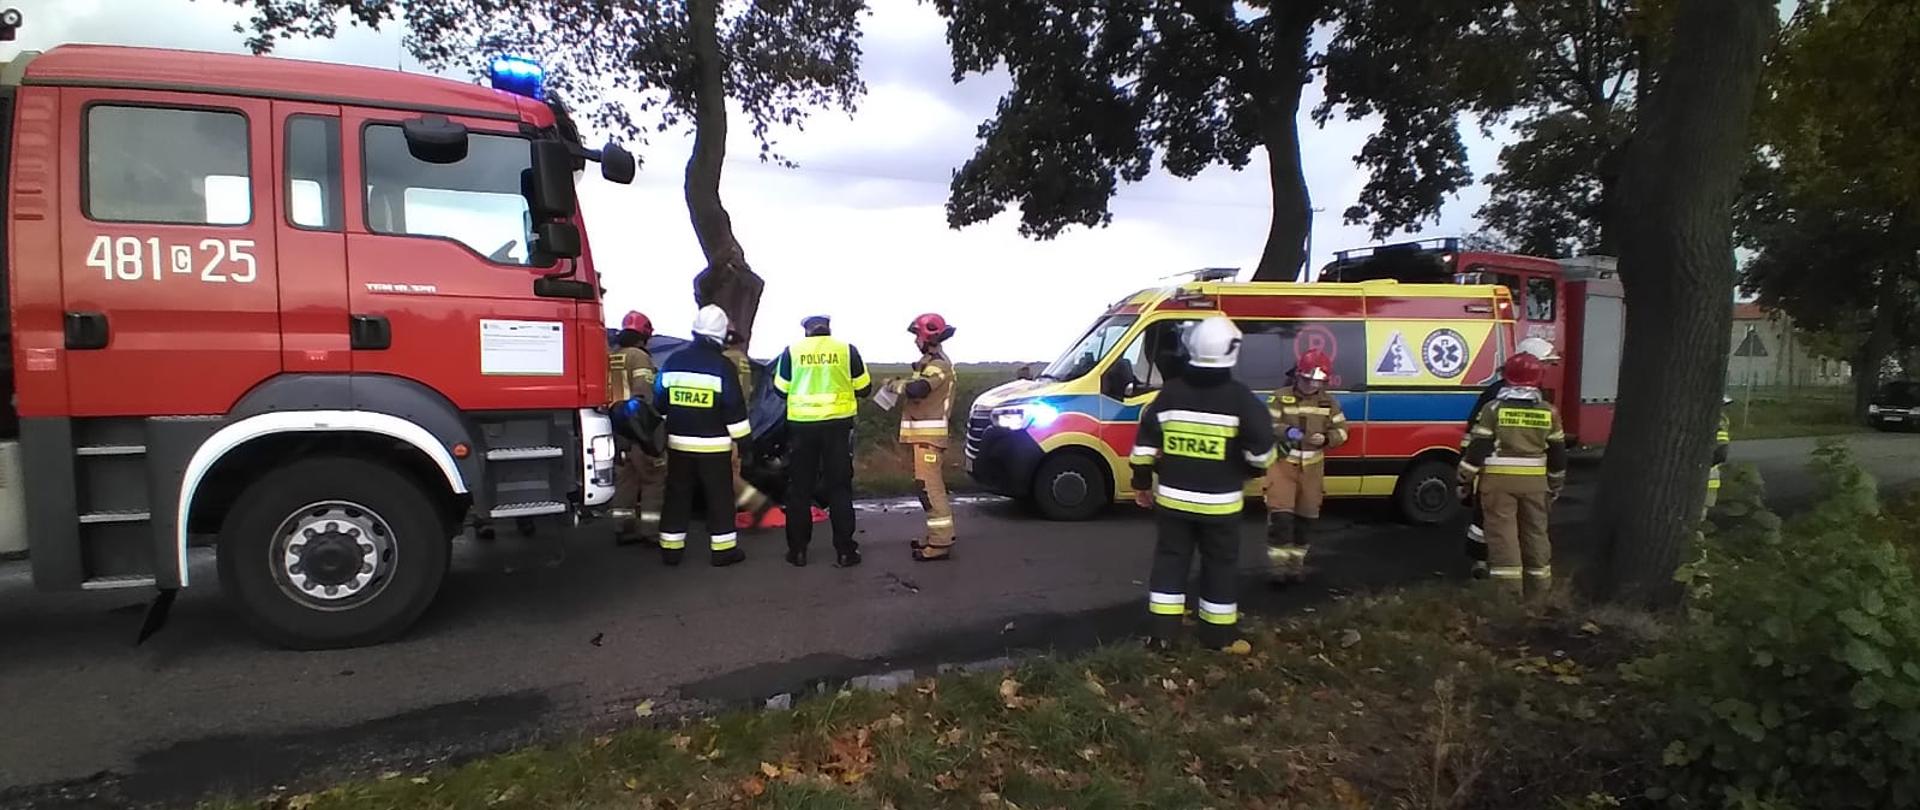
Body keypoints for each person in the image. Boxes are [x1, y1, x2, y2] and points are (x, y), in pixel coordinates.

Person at [1131, 316, 1276, 651]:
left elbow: (1143, 449)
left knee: (1169, 563)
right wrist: (1245, 471)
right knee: (1220, 567)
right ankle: (1218, 637)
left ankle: (1162, 638)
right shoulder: (1241, 400)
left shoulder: (1169, 393)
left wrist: (1141, 483)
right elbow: (1262, 456)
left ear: (1191, 347)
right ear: (1232, 351)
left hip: (1173, 502)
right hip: (1220, 505)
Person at [1458, 353, 1568, 602]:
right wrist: (1555, 483)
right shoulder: (1549, 411)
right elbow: (1558, 454)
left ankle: (1508, 599)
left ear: (1507, 378)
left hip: (1498, 484)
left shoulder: (1493, 409)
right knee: (1536, 533)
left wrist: (1464, 480)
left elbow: (1478, 448)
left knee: (1503, 536)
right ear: (1538, 379)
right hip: (1535, 484)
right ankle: (1540, 593)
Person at [654, 305, 753, 567]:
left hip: (678, 443)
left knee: (677, 495)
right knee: (720, 497)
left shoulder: (673, 361)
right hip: (714, 447)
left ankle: (671, 550)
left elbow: (660, 402)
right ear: (720, 334)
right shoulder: (722, 366)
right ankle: (723, 552)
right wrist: (745, 444)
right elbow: (734, 410)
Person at [772, 314, 872, 567]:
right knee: (839, 488)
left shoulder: (792, 351)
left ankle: (797, 552)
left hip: (802, 428)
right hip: (838, 428)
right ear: (828, 329)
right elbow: (864, 388)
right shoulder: (847, 350)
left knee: (800, 491)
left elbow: (780, 390)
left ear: (806, 331)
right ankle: (845, 551)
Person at [1264, 347, 1347, 585]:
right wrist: (1287, 431)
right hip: (1283, 466)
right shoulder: (1279, 397)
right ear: (1298, 374)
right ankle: (1278, 572)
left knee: (1305, 521)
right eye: (1308, 379)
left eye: (1317, 381)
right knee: (1281, 520)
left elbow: (1342, 430)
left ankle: (1295, 568)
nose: (1312, 385)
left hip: (1312, 469)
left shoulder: (1328, 403)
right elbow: (1269, 423)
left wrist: (1329, 439)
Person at [890, 313, 958, 561]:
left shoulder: (938, 364)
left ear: (927, 337)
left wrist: (894, 385)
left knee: (930, 489)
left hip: (929, 438)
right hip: (923, 437)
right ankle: (935, 536)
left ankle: (940, 543)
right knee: (926, 488)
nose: (915, 341)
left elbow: (919, 389)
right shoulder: (929, 362)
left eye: (917, 335)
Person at [608, 311, 665, 546]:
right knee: (654, 478)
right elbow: (643, 396)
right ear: (644, 335)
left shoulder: (611, 356)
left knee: (625, 480)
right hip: (637, 429)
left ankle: (623, 526)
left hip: (615, 429)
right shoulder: (639, 358)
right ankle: (650, 531)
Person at [721, 329, 773, 527]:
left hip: (724, 421)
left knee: (723, 472)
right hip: (740, 419)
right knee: (732, 469)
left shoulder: (725, 360)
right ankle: (732, 512)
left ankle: (755, 504)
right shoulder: (742, 359)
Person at [1704, 394, 1733, 515]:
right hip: (1709, 476)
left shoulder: (1717, 420)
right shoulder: (1719, 420)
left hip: (1706, 475)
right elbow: (1722, 451)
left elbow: (1721, 451)